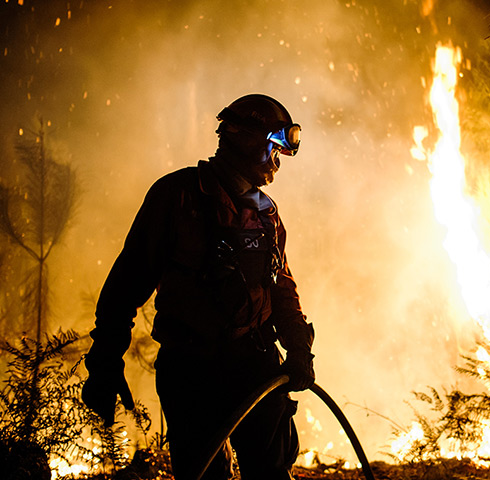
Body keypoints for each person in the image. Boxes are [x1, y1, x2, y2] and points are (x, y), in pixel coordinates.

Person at [81, 94, 315, 480]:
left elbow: (281, 288)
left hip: (253, 362)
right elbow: (127, 284)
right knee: (205, 475)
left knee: (271, 472)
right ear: (247, 142)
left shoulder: (265, 213)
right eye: (273, 150)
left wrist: (299, 348)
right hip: (191, 369)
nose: (277, 163)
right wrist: (104, 362)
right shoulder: (177, 197)